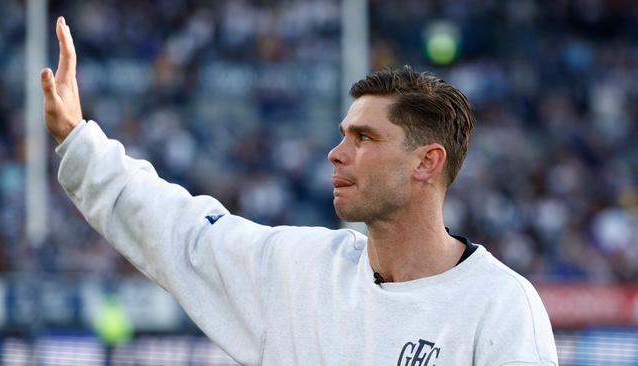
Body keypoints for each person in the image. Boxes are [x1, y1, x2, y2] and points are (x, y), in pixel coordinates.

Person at [40, 16, 559, 366]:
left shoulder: (500, 306)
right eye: (341, 135)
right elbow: (181, 233)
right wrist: (78, 140)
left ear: (428, 162)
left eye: (364, 138)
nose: (336, 153)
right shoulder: (301, 273)